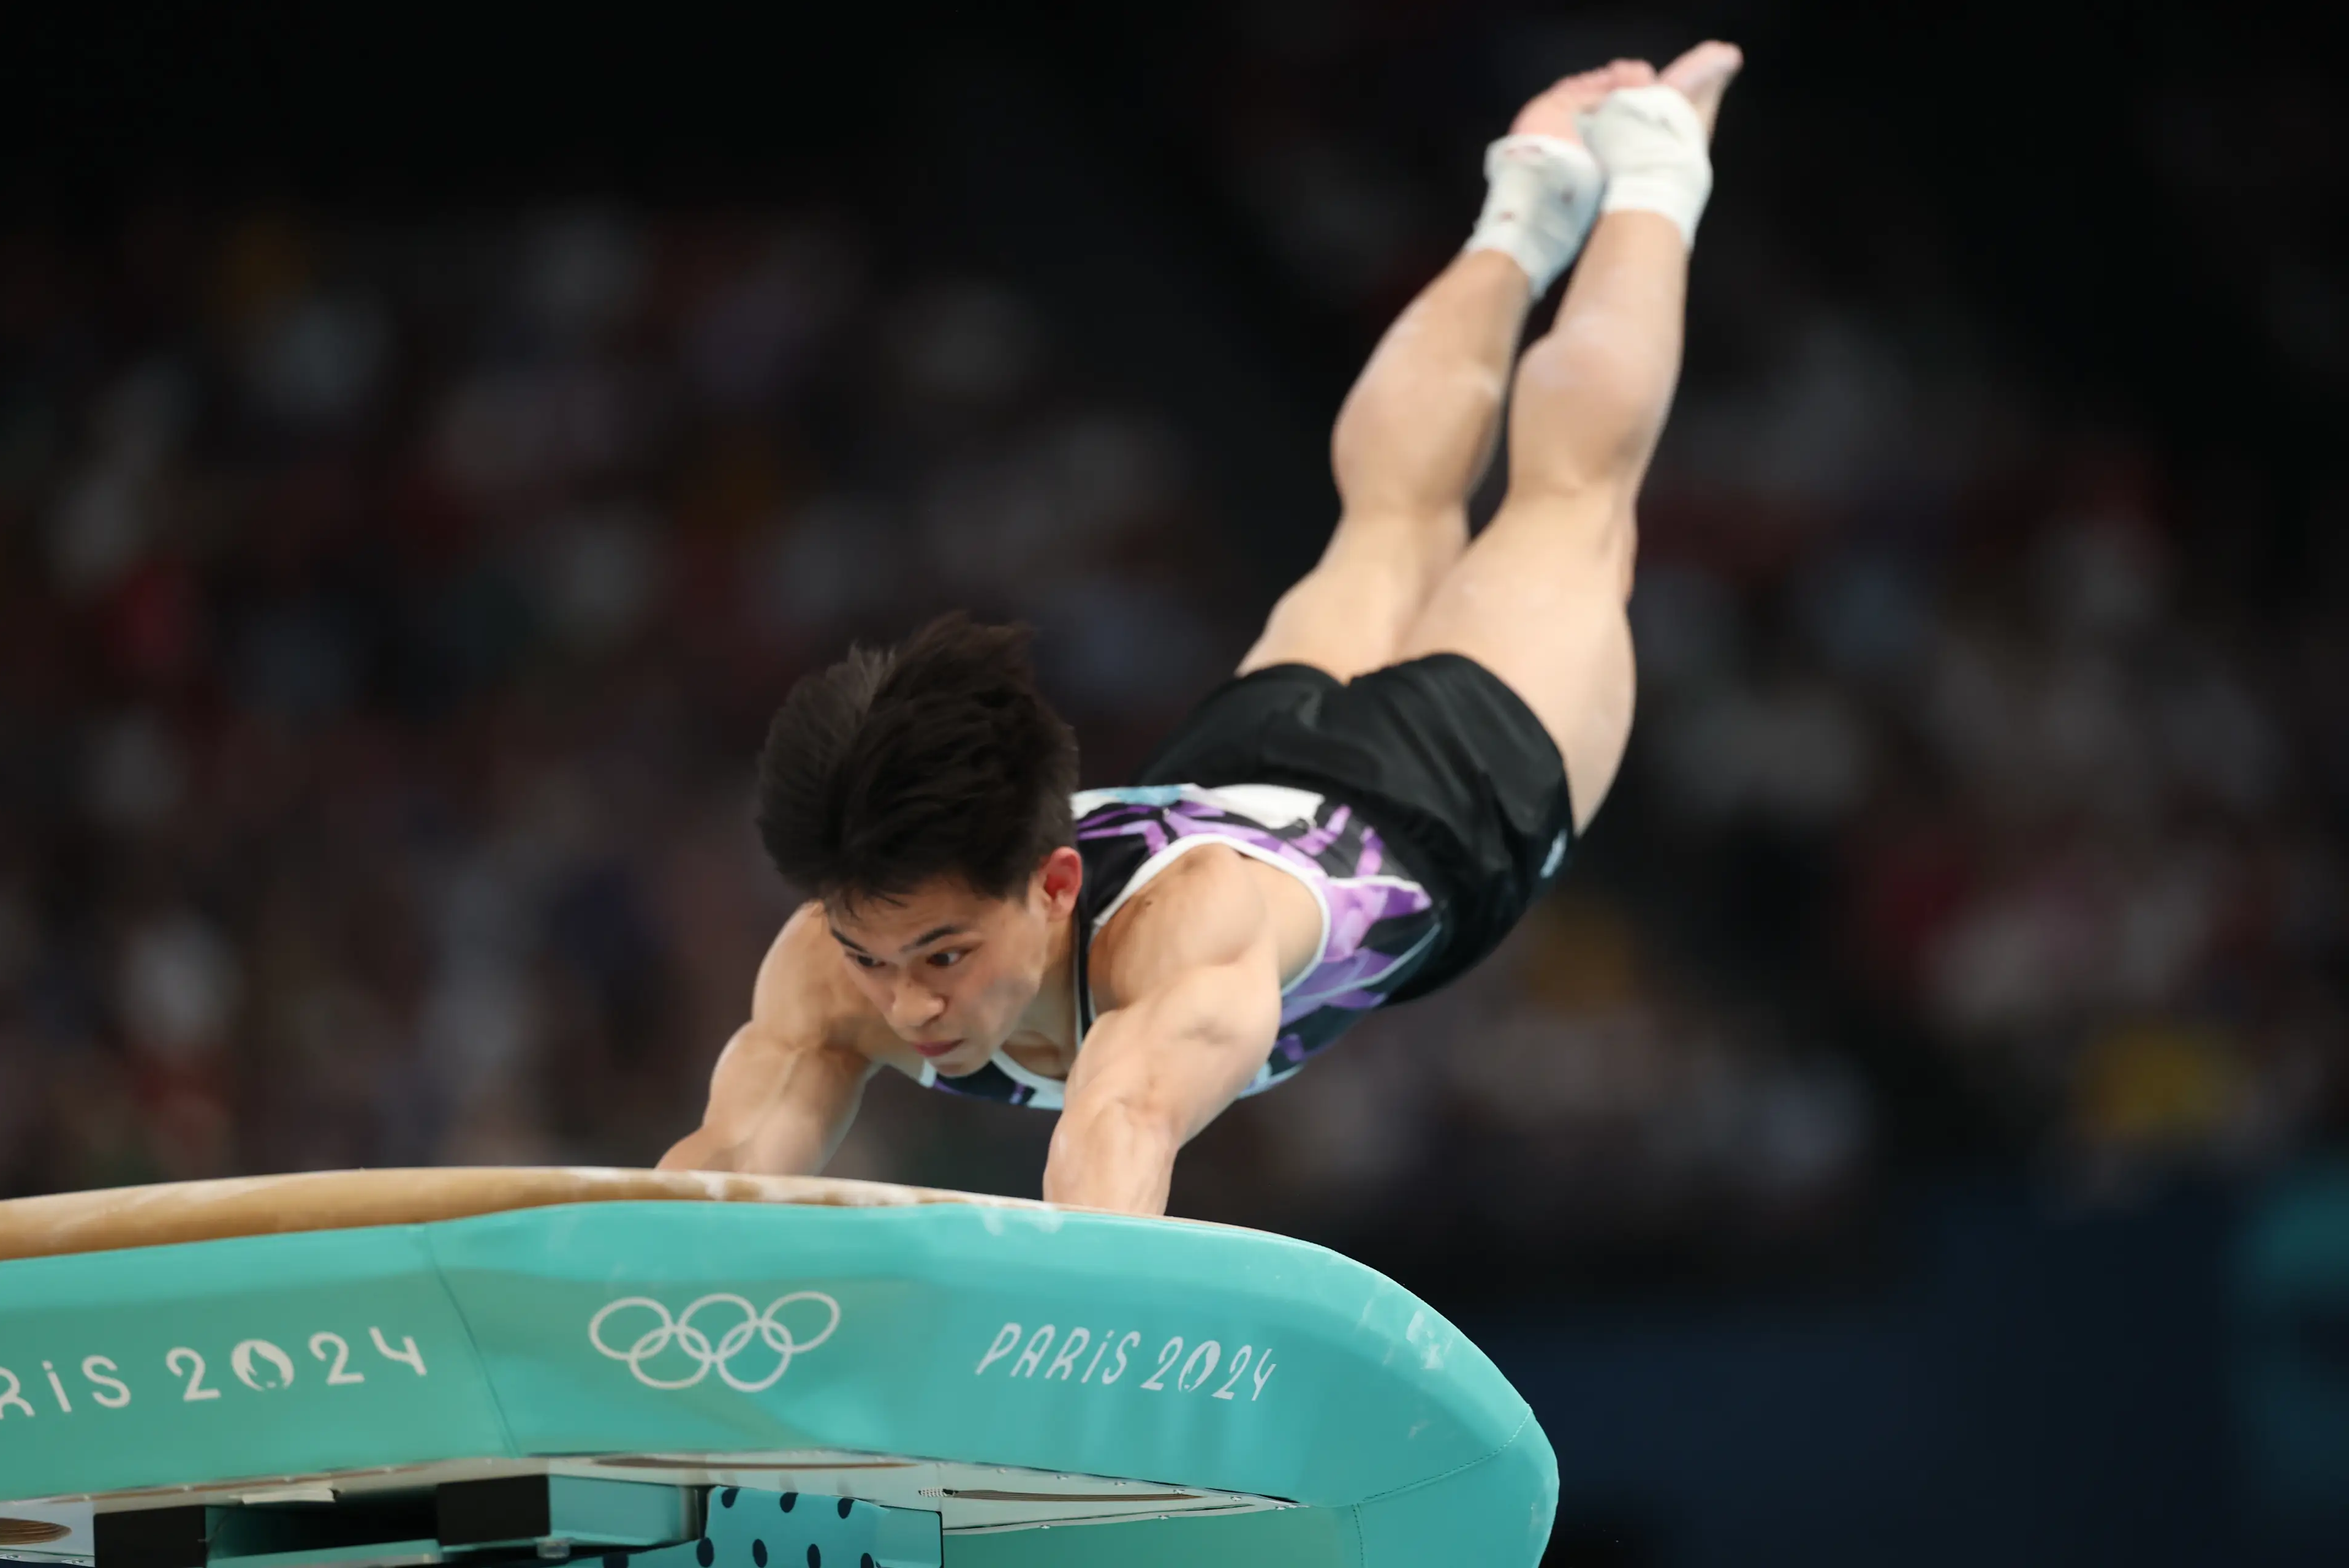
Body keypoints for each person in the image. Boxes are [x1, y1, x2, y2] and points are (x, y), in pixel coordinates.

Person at [660, 42, 1743, 1215]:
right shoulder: (837, 958)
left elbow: (1115, 1158)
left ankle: (1653, 166)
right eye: (875, 957)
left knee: (1573, 503)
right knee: (1385, 521)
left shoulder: (1174, 951)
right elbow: (714, 1183)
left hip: (1439, 811)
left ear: (1055, 882)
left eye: (946, 956)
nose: (907, 1006)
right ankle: (1528, 201)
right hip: (1241, 770)